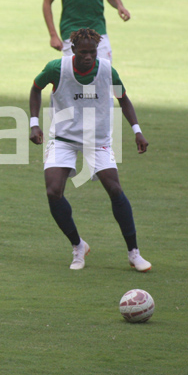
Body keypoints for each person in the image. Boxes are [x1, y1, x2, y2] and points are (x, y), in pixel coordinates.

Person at [29, 28, 151, 272]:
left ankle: (134, 253)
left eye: (92, 52)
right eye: (83, 52)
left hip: (97, 138)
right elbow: (35, 88)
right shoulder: (57, 68)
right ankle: (78, 246)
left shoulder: (106, 70)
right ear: (73, 50)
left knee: (114, 188)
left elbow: (123, 99)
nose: (88, 56)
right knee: (53, 191)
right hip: (63, 136)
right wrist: (34, 123)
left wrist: (137, 130)